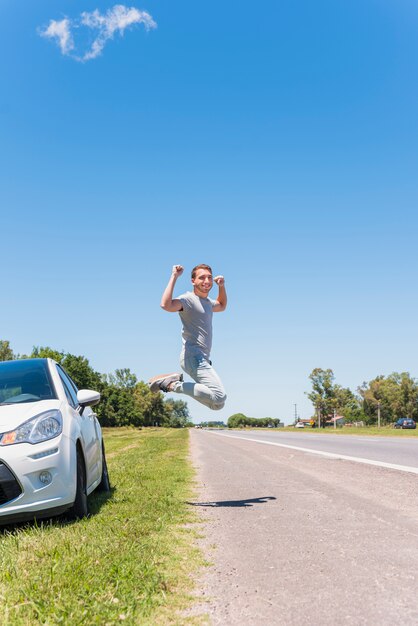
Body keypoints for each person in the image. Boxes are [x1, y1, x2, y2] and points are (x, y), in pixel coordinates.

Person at [148, 264, 227, 410]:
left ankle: (174, 381)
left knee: (217, 404)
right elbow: (165, 305)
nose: (207, 281)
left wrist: (221, 286)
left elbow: (222, 305)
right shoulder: (188, 299)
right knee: (219, 395)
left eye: (209, 277)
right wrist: (174, 276)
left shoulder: (208, 303)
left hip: (202, 358)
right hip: (193, 356)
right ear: (193, 281)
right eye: (202, 277)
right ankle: (172, 384)